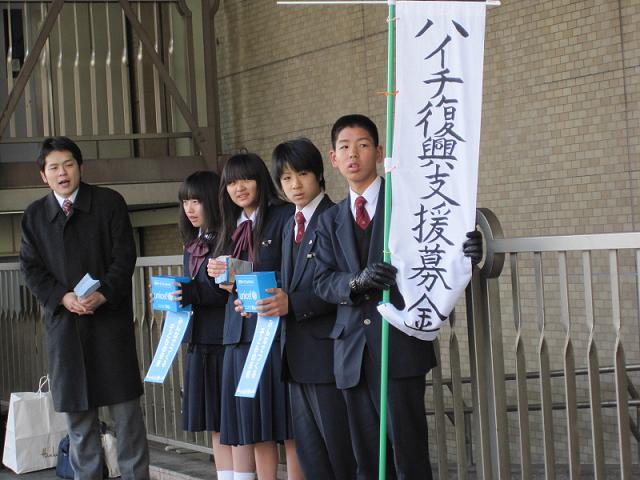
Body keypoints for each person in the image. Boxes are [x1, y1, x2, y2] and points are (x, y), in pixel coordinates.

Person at [313, 115, 483, 479]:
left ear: (378, 152)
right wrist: (356, 282)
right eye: (344, 147)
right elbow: (322, 282)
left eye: (362, 145)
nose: (353, 154)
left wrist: (469, 247)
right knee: (368, 460)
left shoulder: (411, 203)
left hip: (399, 343)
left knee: (409, 454)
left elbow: (445, 241)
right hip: (352, 354)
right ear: (333, 158)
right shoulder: (329, 220)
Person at [20, 136, 149, 479]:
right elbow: (32, 269)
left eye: (68, 164)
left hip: (109, 325)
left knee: (128, 421)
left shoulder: (108, 203)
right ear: (43, 176)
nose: (62, 173)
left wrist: (103, 293)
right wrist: (63, 297)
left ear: (80, 167)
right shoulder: (34, 216)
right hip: (65, 329)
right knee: (80, 428)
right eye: (54, 168)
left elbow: (125, 257)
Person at [236, 138, 356, 479]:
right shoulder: (291, 224)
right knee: (310, 454)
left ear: (319, 174)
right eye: (286, 178)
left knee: (339, 453)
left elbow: (343, 284)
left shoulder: (336, 218)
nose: (294, 184)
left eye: (301, 174)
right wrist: (259, 301)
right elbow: (286, 285)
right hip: (294, 356)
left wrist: (292, 303)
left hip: (328, 356)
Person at [206, 153, 302, 480]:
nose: (239, 188)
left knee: (288, 423)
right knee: (256, 423)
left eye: (245, 179)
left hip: (276, 331)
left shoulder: (284, 216)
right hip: (240, 333)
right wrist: (219, 274)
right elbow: (230, 283)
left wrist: (250, 280)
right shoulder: (230, 226)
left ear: (261, 180)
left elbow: (294, 270)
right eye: (231, 182)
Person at [172, 171, 233, 479]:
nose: (190, 209)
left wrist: (188, 291)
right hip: (199, 338)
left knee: (231, 421)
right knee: (214, 422)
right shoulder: (192, 243)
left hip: (225, 340)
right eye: (185, 202)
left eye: (196, 201)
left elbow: (227, 291)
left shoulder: (230, 236)